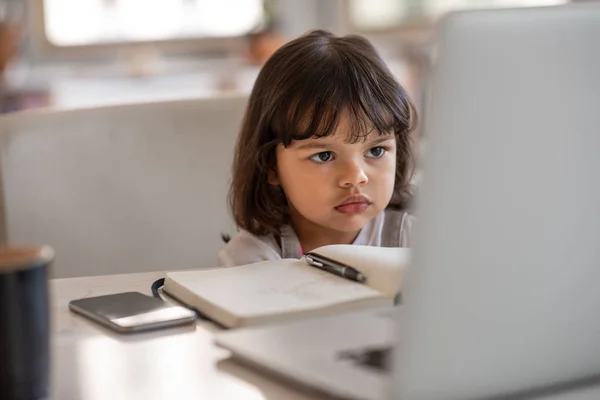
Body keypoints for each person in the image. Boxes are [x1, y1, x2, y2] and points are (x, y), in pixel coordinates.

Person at [218, 30, 417, 267]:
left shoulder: (419, 241)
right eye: (324, 156)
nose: (355, 178)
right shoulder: (250, 260)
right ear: (271, 165)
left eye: (375, 151)